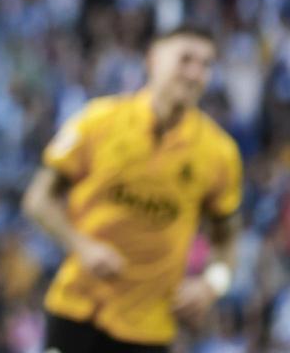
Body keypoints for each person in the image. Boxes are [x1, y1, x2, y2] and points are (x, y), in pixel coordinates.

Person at [22, 25, 243, 353]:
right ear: (153, 60)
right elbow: (39, 199)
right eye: (185, 59)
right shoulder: (98, 121)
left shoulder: (219, 155)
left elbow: (227, 241)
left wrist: (211, 285)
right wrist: (82, 246)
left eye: (206, 64)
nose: (195, 73)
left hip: (148, 329)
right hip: (77, 306)